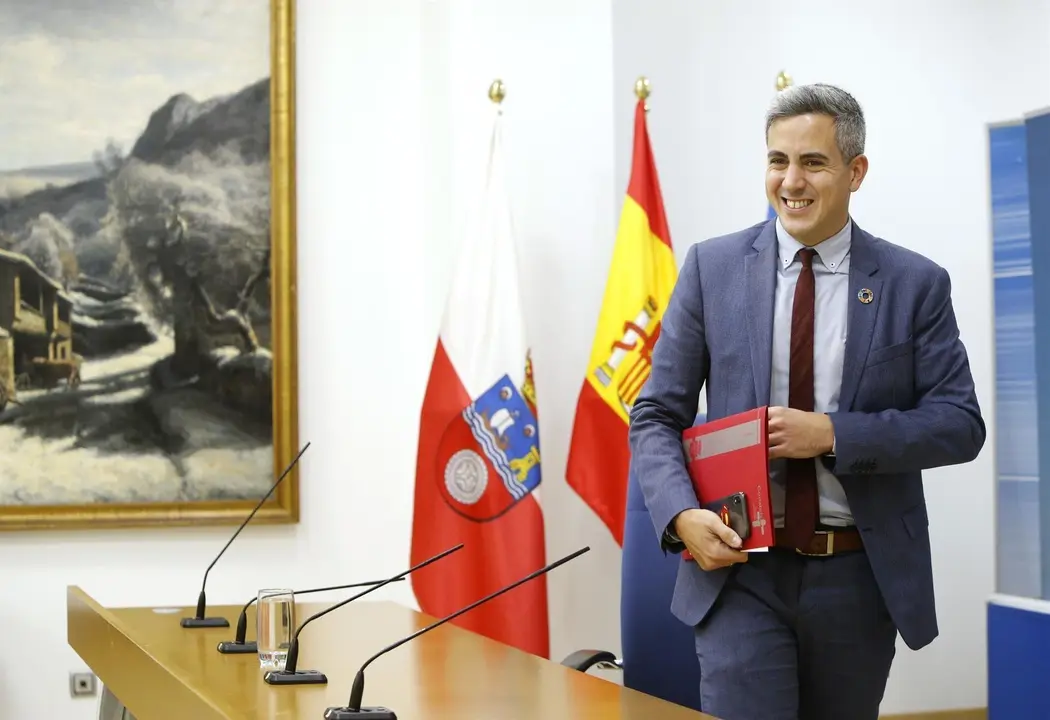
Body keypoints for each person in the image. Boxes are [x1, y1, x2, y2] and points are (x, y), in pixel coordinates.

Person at [628, 83, 985, 720]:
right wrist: (681, 517)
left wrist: (834, 434)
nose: (790, 181)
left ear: (856, 172)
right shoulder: (712, 269)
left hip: (856, 575)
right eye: (777, 161)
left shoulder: (915, 284)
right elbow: (656, 414)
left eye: (812, 163)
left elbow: (959, 425)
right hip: (740, 572)